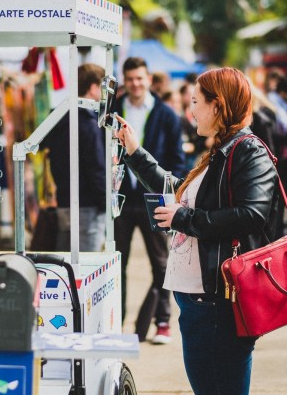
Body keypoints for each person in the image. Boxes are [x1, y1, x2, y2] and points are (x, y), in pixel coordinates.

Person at [117, 67, 279, 395]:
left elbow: (252, 214)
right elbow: (179, 190)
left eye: (196, 102)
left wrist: (184, 219)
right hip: (203, 303)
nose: (190, 110)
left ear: (217, 105)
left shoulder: (247, 149)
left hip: (219, 302)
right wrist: (135, 153)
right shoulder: (220, 151)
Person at [114, 57, 185, 344]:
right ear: (124, 79)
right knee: (118, 263)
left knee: (162, 262)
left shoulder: (166, 114)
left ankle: (163, 322)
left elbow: (177, 158)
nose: (135, 84)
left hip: (155, 198)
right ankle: (116, 322)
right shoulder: (113, 110)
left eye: (139, 78)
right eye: (130, 78)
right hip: (120, 198)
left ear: (148, 79)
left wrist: (170, 194)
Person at [42, 63, 106, 251]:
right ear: (94, 87)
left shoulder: (59, 117)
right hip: (88, 204)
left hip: (64, 199)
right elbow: (96, 168)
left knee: (65, 261)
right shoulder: (89, 124)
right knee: (87, 263)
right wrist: (105, 201)